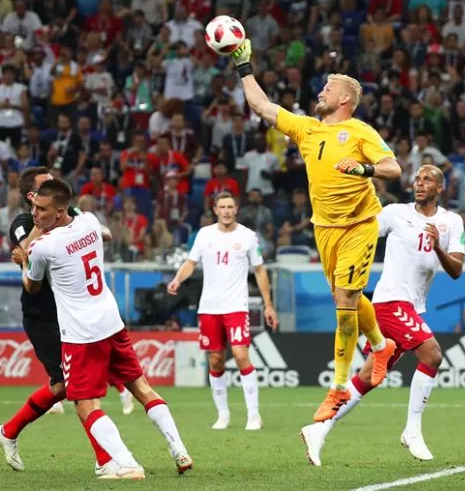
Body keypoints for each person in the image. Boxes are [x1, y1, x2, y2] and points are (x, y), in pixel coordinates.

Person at [232, 39, 402, 421]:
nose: (320, 92)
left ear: (344, 99)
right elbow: (261, 106)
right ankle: (380, 346)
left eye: (328, 89)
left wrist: (365, 169)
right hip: (324, 229)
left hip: (359, 225)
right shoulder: (307, 129)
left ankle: (338, 388)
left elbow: (394, 169)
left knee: (343, 305)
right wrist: (243, 66)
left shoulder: (361, 132)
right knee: (350, 300)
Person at [15, 179, 193, 478]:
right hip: (112, 322)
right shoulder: (89, 221)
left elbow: (31, 288)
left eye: (42, 209)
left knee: (84, 404)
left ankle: (126, 464)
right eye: (33, 206)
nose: (35, 213)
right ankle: (179, 450)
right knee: (142, 387)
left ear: (59, 212)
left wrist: (24, 262)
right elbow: (104, 235)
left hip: (81, 334)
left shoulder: (42, 247)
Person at [299, 165, 465, 465]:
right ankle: (412, 431)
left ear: (440, 188)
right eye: (417, 178)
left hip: (412, 306)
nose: (419, 183)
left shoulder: (452, 222)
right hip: (390, 301)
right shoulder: (395, 213)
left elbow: (456, 270)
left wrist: (438, 247)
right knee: (432, 355)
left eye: (427, 180)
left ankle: (319, 429)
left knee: (368, 377)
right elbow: (361, 236)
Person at [0, 167, 131, 474]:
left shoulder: (70, 213)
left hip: (71, 314)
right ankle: (106, 460)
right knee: (73, 388)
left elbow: (105, 234)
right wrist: (32, 240)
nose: (56, 186)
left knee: (65, 387)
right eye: (46, 185)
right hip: (42, 314)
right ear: (32, 197)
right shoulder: (23, 223)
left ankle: (9, 431)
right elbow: (24, 251)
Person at [167, 191, 279, 431]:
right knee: (216, 361)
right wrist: (178, 279)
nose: (227, 211)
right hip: (209, 308)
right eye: (222, 207)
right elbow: (191, 262)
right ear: (215, 209)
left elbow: (259, 270)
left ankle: (253, 415)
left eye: (230, 206)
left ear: (236, 209)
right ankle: (223, 415)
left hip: (237, 306)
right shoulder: (204, 235)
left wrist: (268, 304)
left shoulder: (248, 236)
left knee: (240, 355)